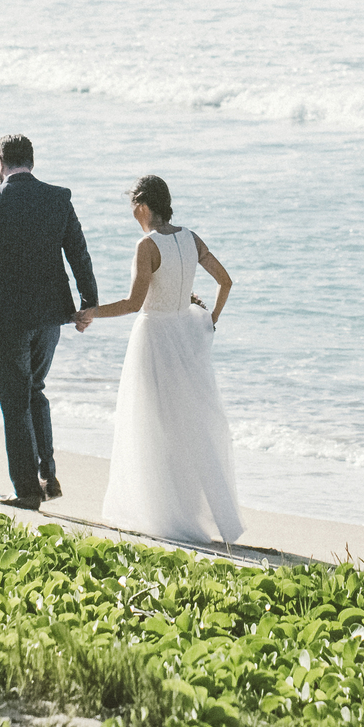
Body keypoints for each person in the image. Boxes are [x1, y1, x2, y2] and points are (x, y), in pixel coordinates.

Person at [77, 173, 243, 544]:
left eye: (133, 205)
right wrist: (210, 320)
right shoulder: (190, 238)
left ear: (144, 205)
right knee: (185, 427)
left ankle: (161, 514)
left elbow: (134, 304)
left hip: (153, 339)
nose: (132, 213)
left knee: (150, 425)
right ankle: (189, 511)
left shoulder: (147, 245)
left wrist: (89, 312)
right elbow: (226, 281)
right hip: (185, 338)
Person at [0, 134, 99, 511]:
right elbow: (79, 253)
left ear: (0, 162)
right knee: (35, 391)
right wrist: (88, 304)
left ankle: (28, 489)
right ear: (31, 160)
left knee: (15, 403)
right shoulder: (58, 197)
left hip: (7, 319)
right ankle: (47, 474)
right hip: (50, 316)